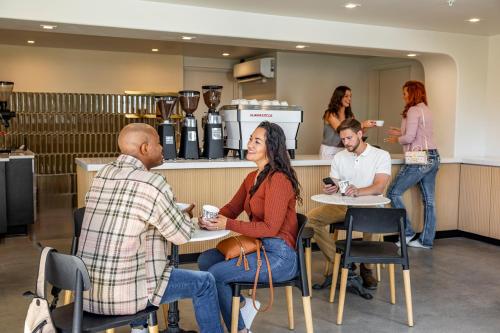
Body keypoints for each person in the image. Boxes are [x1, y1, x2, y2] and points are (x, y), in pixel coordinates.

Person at [77, 123, 224, 333]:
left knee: (138, 245)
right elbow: (181, 235)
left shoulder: (102, 175)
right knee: (206, 282)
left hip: (88, 290)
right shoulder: (152, 183)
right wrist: (182, 216)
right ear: (145, 149)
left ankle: (140, 328)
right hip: (126, 295)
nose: (163, 147)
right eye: (158, 143)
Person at [197, 121, 302, 333]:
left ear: (271, 148)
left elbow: (271, 228)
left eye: (257, 141)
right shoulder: (252, 178)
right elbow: (232, 208)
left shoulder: (279, 179)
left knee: (215, 275)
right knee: (205, 260)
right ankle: (242, 306)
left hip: (280, 256)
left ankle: (241, 330)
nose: (250, 144)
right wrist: (211, 219)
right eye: (250, 139)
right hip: (259, 246)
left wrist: (228, 224)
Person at [308, 118, 391, 290]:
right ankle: (341, 261)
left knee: (375, 219)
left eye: (349, 138)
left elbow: (379, 186)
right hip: (343, 205)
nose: (345, 143)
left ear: (360, 134)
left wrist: (359, 191)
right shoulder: (339, 157)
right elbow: (336, 183)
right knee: (310, 220)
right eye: (343, 139)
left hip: (370, 205)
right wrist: (331, 188)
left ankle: (366, 268)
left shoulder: (381, 155)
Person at [385, 80, 440, 249]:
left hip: (418, 156)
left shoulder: (413, 110)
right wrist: (400, 132)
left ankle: (407, 232)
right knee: (429, 201)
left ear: (413, 93)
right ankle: (426, 240)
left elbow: (409, 138)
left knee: (393, 192)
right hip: (433, 155)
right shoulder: (426, 110)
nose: (403, 96)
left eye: (405, 93)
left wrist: (397, 138)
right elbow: (418, 134)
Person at [320, 85, 376, 159]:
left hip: (345, 149)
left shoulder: (349, 115)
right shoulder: (330, 114)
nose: (349, 99)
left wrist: (366, 126)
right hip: (330, 150)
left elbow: (355, 131)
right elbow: (341, 129)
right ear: (338, 97)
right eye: (346, 96)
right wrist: (362, 124)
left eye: (350, 96)